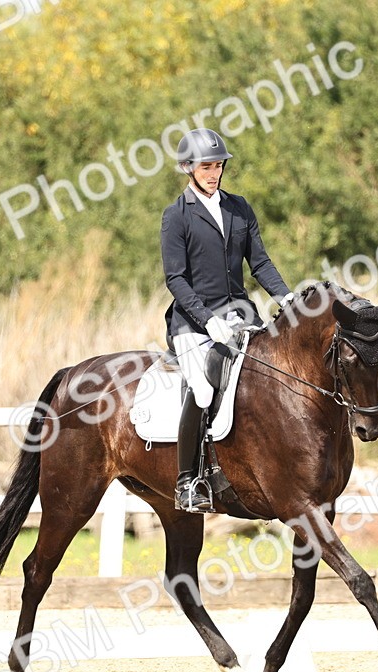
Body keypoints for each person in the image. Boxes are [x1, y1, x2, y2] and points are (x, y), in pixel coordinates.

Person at [160, 127, 295, 512]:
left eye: (218, 166)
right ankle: (188, 482)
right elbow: (176, 279)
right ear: (188, 168)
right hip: (192, 322)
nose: (213, 173)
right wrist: (206, 320)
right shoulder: (176, 216)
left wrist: (286, 297)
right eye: (206, 167)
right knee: (204, 391)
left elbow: (260, 263)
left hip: (240, 314)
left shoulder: (239, 208)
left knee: (267, 377)